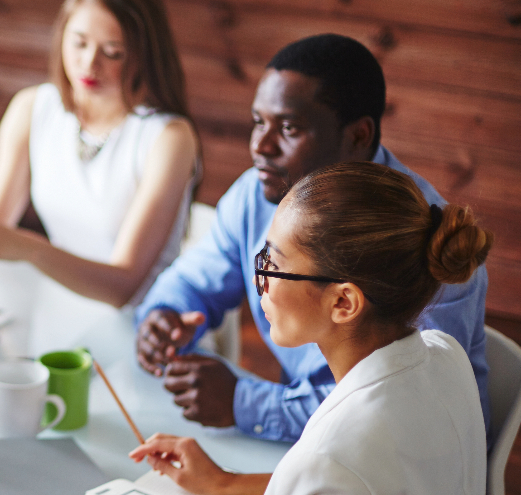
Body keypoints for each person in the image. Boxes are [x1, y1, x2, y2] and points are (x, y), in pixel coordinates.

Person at [109, 162, 490, 495]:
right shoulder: (445, 355)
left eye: (274, 263)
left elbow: (342, 481)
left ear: (343, 302)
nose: (262, 281)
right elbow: (369, 494)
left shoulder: (334, 459)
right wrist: (225, 482)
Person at [135, 34, 490, 442]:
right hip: (322, 447)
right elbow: (195, 278)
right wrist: (163, 316)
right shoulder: (257, 193)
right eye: (257, 122)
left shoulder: (421, 241)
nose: (260, 146)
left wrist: (245, 402)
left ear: (357, 136)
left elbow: (400, 414)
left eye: (288, 127)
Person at [0, 0, 200, 307]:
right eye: (79, 43)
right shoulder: (33, 108)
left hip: (149, 323)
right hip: (64, 306)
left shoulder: (169, 138)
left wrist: (28, 248)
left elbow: (123, 287)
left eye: (113, 52)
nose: (89, 64)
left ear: (143, 55)